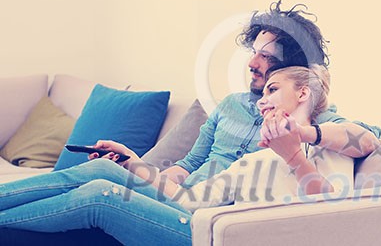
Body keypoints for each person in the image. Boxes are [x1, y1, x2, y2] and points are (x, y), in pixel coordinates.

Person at [1, 65, 358, 245]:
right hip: (199, 220)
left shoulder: (330, 143)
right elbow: (189, 199)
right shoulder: (255, 160)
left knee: (100, 197)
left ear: (303, 93)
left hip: (225, 238)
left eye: (273, 89)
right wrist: (133, 163)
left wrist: (295, 155)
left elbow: (335, 215)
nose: (261, 100)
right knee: (102, 172)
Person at [164, 0, 381, 188]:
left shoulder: (309, 115)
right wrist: (153, 187)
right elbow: (190, 164)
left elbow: (368, 140)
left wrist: (302, 132)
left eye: (265, 56)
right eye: (253, 52)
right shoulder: (231, 104)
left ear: (291, 65)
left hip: (213, 217)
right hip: (182, 199)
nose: (251, 63)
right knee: (130, 185)